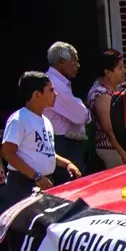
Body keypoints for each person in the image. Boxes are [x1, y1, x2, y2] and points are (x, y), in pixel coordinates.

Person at [2, 72, 82, 204]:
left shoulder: (46, 121)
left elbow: (46, 153)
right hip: (23, 184)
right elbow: (8, 153)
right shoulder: (19, 119)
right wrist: (36, 176)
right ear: (37, 94)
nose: (55, 94)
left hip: (44, 182)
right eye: (51, 90)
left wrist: (67, 164)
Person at [43, 42, 90, 177]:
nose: (77, 65)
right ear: (61, 62)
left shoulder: (57, 82)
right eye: (74, 61)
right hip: (62, 144)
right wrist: (85, 111)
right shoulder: (54, 84)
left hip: (64, 143)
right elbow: (81, 115)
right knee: (71, 184)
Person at [87, 50, 126, 169]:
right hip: (112, 151)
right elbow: (109, 129)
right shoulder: (101, 94)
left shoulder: (112, 89)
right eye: (120, 68)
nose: (125, 71)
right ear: (107, 72)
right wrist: (124, 154)